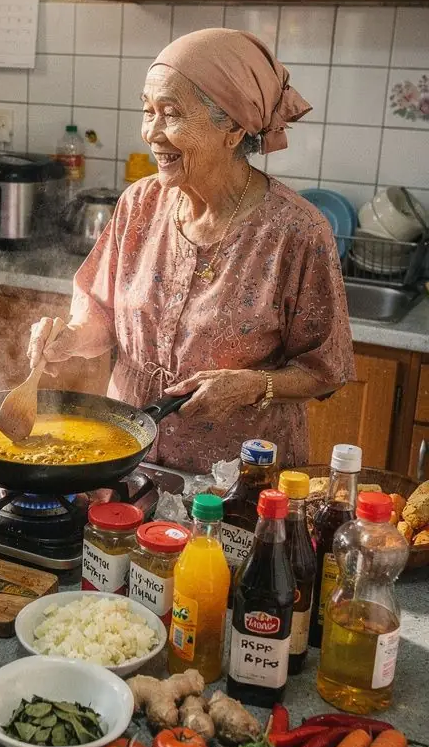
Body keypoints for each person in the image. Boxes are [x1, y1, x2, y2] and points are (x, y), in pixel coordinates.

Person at [29, 28, 354, 472]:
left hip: (237, 476)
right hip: (128, 458)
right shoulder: (139, 205)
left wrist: (254, 385)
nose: (152, 133)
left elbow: (324, 369)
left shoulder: (296, 232)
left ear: (234, 129)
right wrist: (69, 339)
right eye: (148, 111)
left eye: (171, 114)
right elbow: (102, 313)